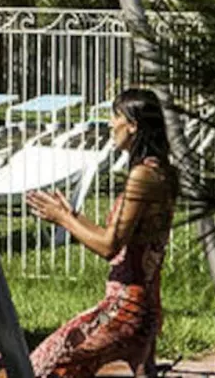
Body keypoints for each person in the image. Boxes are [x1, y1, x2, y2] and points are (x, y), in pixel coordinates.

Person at [25, 89, 177, 378]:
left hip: (124, 308)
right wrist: (71, 216)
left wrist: (63, 220)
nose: (109, 123)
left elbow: (109, 246)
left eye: (115, 116)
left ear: (133, 125)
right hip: (146, 306)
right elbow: (121, 238)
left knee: (41, 365)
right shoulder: (163, 173)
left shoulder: (142, 177)